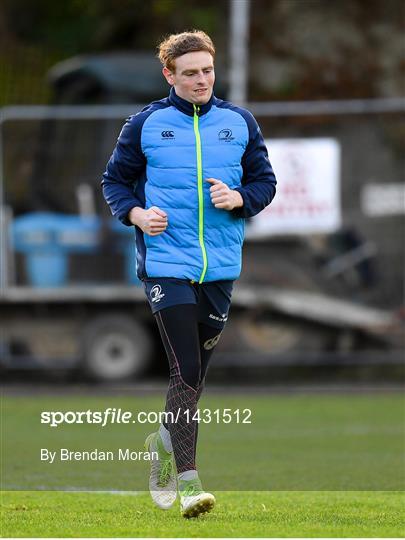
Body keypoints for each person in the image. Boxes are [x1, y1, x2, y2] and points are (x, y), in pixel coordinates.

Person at [101, 30, 276, 518]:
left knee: (192, 385)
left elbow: (265, 182)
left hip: (220, 269)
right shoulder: (145, 124)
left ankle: (161, 443)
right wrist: (136, 215)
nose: (202, 80)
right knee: (186, 371)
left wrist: (241, 199)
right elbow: (114, 181)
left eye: (208, 70)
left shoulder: (239, 123)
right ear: (169, 76)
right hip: (166, 264)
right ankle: (189, 484)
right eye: (191, 73)